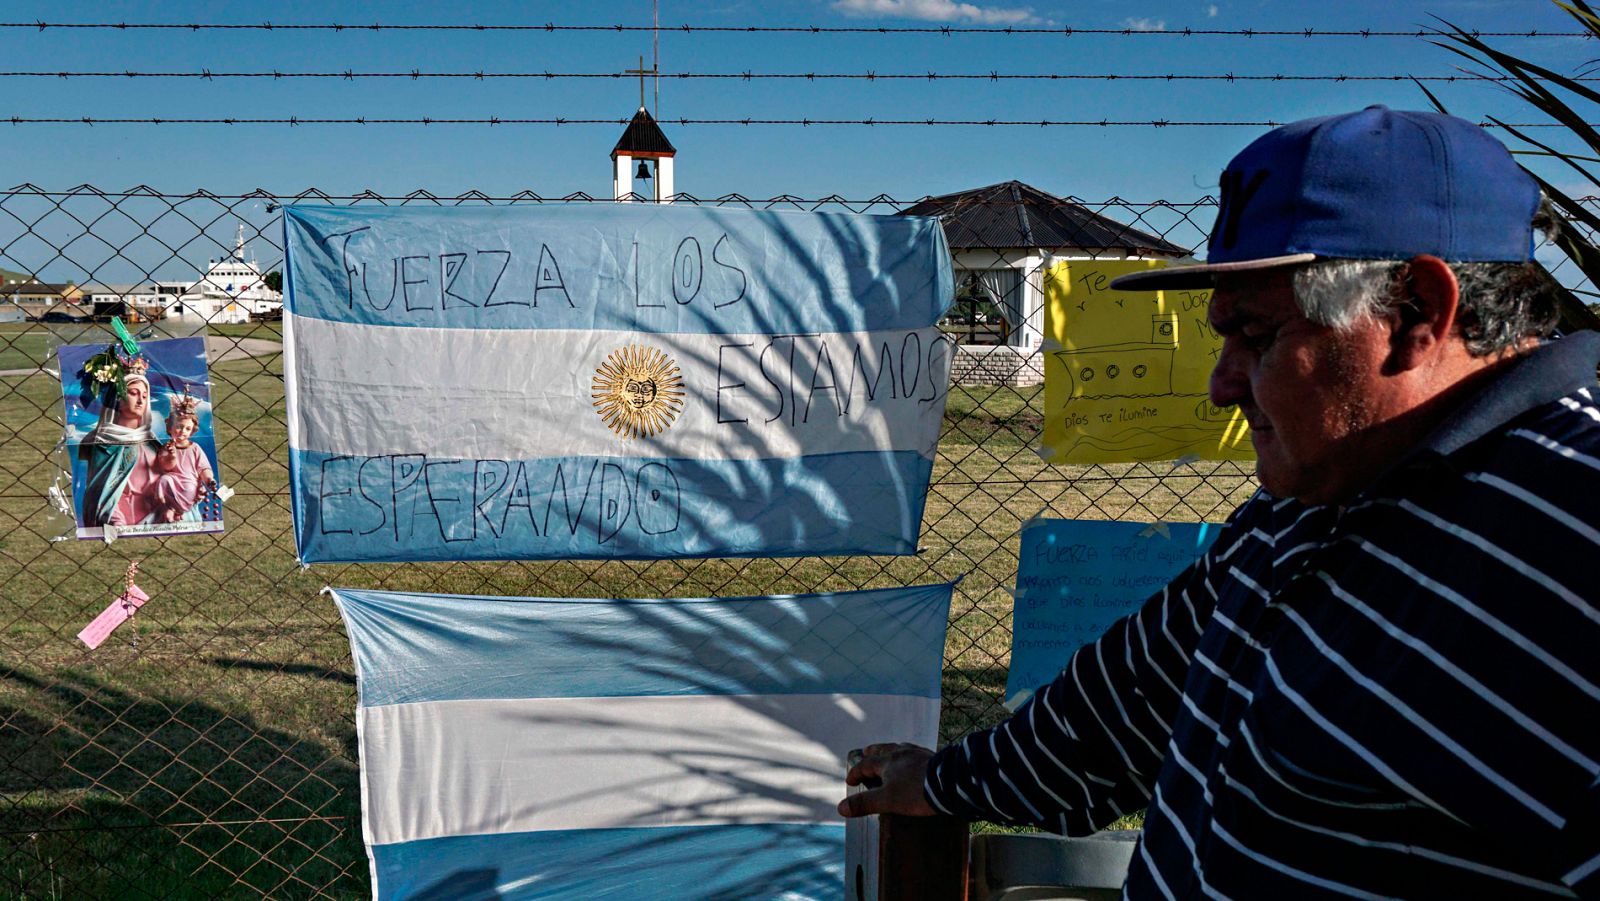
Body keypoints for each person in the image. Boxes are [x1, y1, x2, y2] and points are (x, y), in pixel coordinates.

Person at [839, 106, 1600, 898]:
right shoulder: (1324, 495)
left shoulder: (1571, 530)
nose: (1221, 385)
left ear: (1417, 316)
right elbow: (1131, 696)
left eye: (1260, 336)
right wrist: (949, 781)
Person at [79, 361, 162, 528]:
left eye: (145, 396)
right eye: (133, 393)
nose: (140, 401)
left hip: (155, 518)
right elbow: (97, 490)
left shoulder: (152, 443)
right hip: (115, 519)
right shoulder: (98, 441)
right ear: (117, 397)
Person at [151, 395, 215, 522]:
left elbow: (203, 468)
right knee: (164, 480)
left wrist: (209, 480)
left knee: (190, 488)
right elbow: (165, 467)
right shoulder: (167, 447)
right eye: (179, 426)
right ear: (170, 427)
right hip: (172, 479)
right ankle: (168, 508)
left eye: (188, 428)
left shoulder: (195, 448)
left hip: (189, 480)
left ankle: (177, 510)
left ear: (192, 431)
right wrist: (172, 455)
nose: (182, 431)